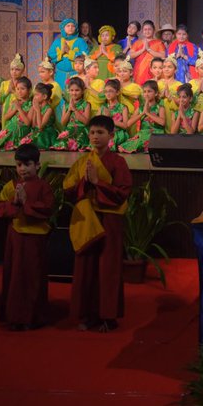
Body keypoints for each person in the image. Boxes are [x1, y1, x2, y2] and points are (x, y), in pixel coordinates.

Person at [64, 115, 133, 332]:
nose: (95, 137)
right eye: (92, 132)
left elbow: (122, 192)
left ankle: (108, 316)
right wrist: (85, 183)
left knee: (108, 267)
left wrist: (97, 182)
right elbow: (69, 189)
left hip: (109, 220)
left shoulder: (118, 162)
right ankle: (87, 314)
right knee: (87, 267)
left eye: (100, 133)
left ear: (111, 135)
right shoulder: (83, 161)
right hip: (89, 218)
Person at [0, 143, 55, 330]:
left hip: (35, 238)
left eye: (27, 164)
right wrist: (14, 203)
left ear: (37, 165)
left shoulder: (43, 187)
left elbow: (48, 209)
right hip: (16, 236)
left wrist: (26, 203)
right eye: (19, 165)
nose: (23, 169)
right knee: (14, 276)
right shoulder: (11, 186)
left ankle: (32, 317)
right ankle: (13, 315)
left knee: (32, 276)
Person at [46, 18, 88, 89]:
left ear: (76, 28)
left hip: (76, 75)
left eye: (72, 26)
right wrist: (62, 52)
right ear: (63, 28)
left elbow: (85, 56)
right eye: (68, 26)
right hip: (60, 75)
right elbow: (50, 56)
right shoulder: (57, 42)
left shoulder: (80, 41)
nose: (70, 28)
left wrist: (69, 52)